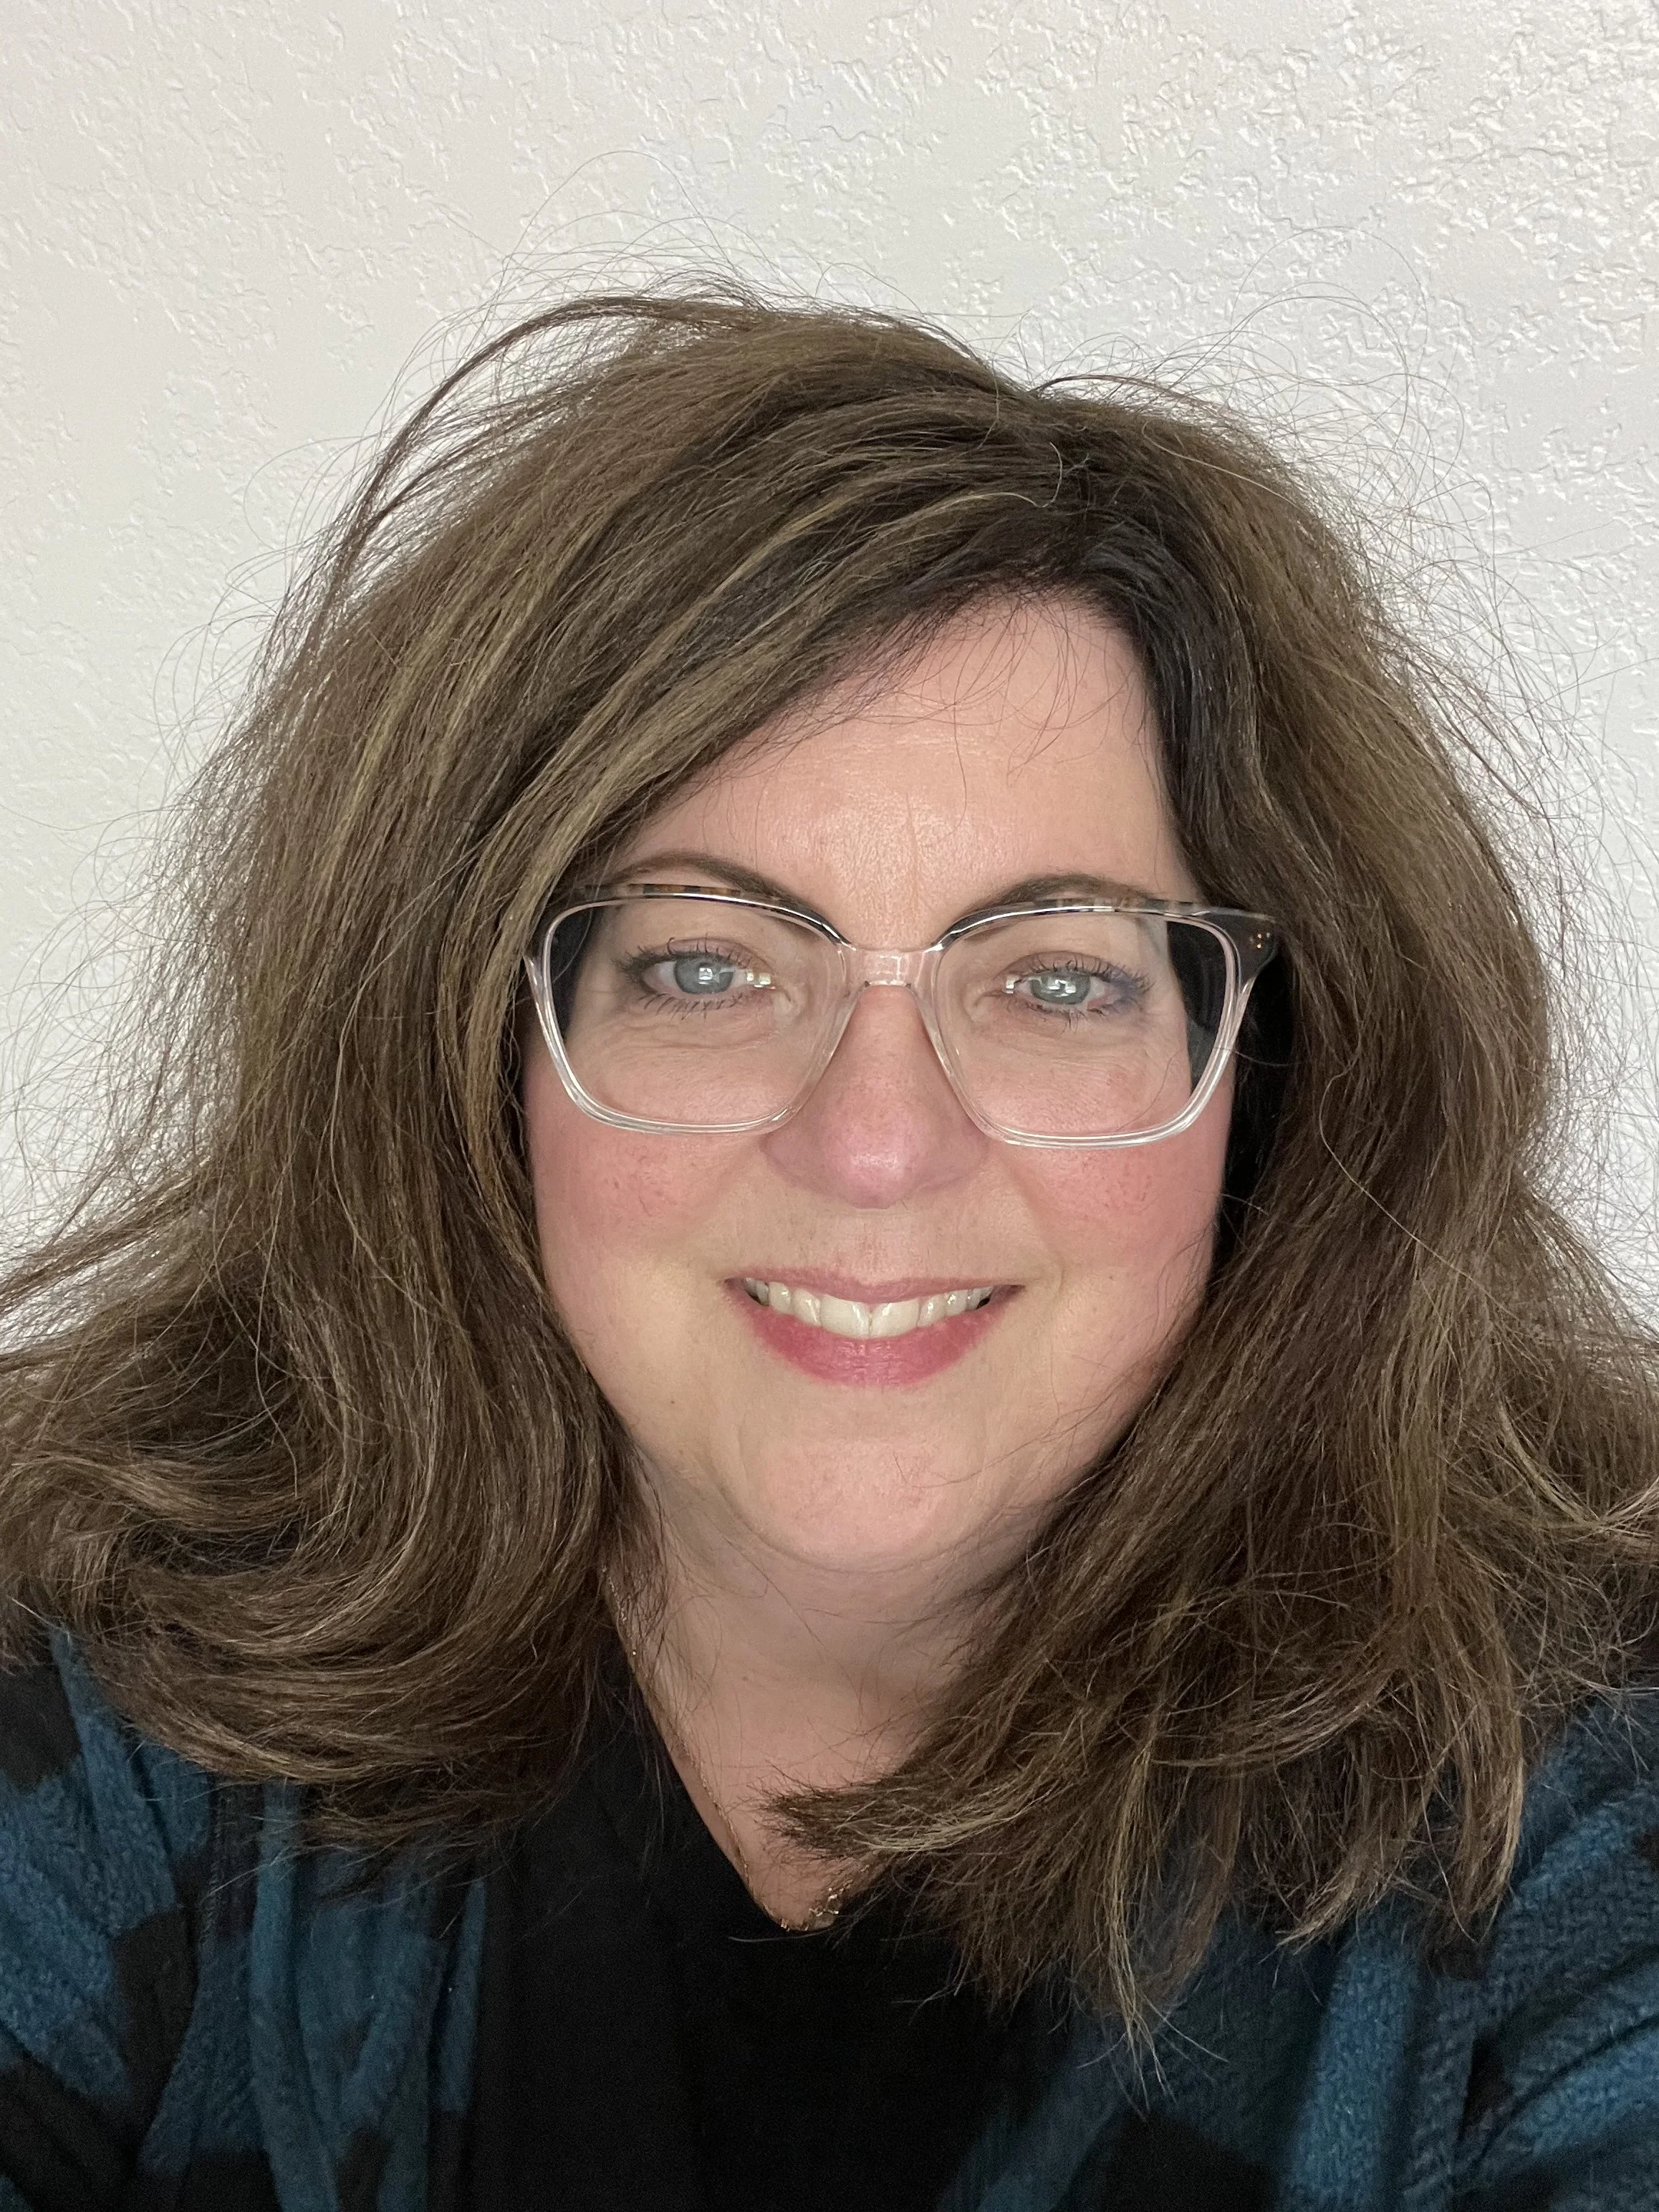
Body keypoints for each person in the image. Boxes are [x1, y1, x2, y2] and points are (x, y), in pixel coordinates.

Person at [0, 289, 1655, 2212]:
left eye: (1052, 978)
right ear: (474, 1054)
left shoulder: (1575, 1808)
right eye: (706, 965)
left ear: (1263, 1083)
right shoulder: (116, 1692)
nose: (874, 1144)